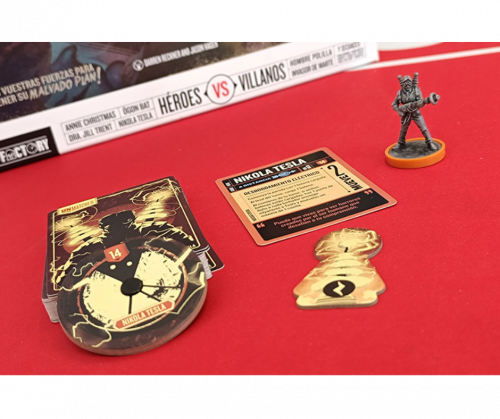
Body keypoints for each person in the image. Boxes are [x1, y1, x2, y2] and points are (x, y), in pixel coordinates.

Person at [392, 73, 439, 152]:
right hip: (406, 114)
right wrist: (399, 111)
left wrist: (424, 102)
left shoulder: (416, 91)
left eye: (409, 82)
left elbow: (421, 102)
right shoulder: (400, 93)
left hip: (416, 113)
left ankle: (430, 143)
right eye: (405, 82)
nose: (407, 84)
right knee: (403, 130)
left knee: (423, 128)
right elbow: (394, 104)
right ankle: (401, 143)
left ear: (411, 83)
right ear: (402, 83)